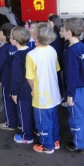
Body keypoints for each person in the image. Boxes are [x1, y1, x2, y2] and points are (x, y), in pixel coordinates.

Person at [26, 22, 62, 154]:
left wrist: (33, 89)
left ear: (35, 36)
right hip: (54, 93)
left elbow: (30, 77)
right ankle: (55, 140)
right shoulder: (52, 50)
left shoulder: (31, 55)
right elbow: (56, 69)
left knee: (42, 121)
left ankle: (47, 146)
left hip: (41, 96)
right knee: (53, 118)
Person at [63, 18, 84, 154]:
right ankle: (82, 138)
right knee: (82, 113)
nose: (61, 31)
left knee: (75, 116)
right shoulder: (83, 46)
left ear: (68, 32)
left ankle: (79, 144)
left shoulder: (71, 51)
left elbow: (71, 75)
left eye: (63, 29)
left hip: (76, 88)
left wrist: (70, 94)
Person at [10, 26, 34, 143]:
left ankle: (27, 136)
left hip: (23, 91)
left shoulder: (17, 57)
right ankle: (34, 130)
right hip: (33, 88)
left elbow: (16, 77)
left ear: (15, 40)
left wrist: (14, 92)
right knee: (32, 111)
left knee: (24, 114)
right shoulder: (32, 51)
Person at [0, 23, 20, 130]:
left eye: (0, 32)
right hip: (18, 80)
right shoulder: (18, 46)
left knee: (8, 102)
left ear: (5, 35)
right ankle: (20, 122)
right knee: (18, 102)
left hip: (7, 80)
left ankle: (10, 123)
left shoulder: (4, 49)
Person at [48, 14, 65, 100]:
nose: (48, 23)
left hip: (56, 59)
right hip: (60, 57)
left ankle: (59, 95)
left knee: (56, 78)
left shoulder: (55, 33)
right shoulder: (59, 31)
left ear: (53, 22)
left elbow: (54, 48)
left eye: (49, 21)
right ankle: (61, 95)